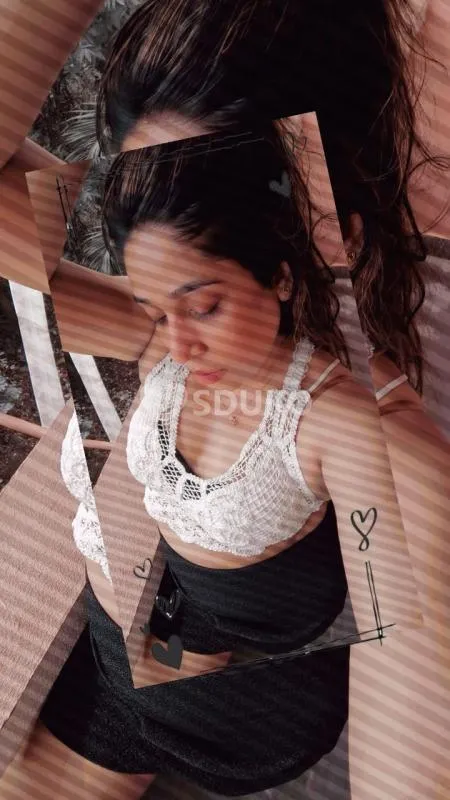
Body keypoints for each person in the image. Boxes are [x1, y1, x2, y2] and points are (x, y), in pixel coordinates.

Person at [1, 131, 428, 800]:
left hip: (200, 689)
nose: (179, 344)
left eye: (204, 307)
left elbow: (408, 648)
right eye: (153, 306)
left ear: (280, 276)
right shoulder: (162, 342)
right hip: (141, 627)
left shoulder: (333, 420)